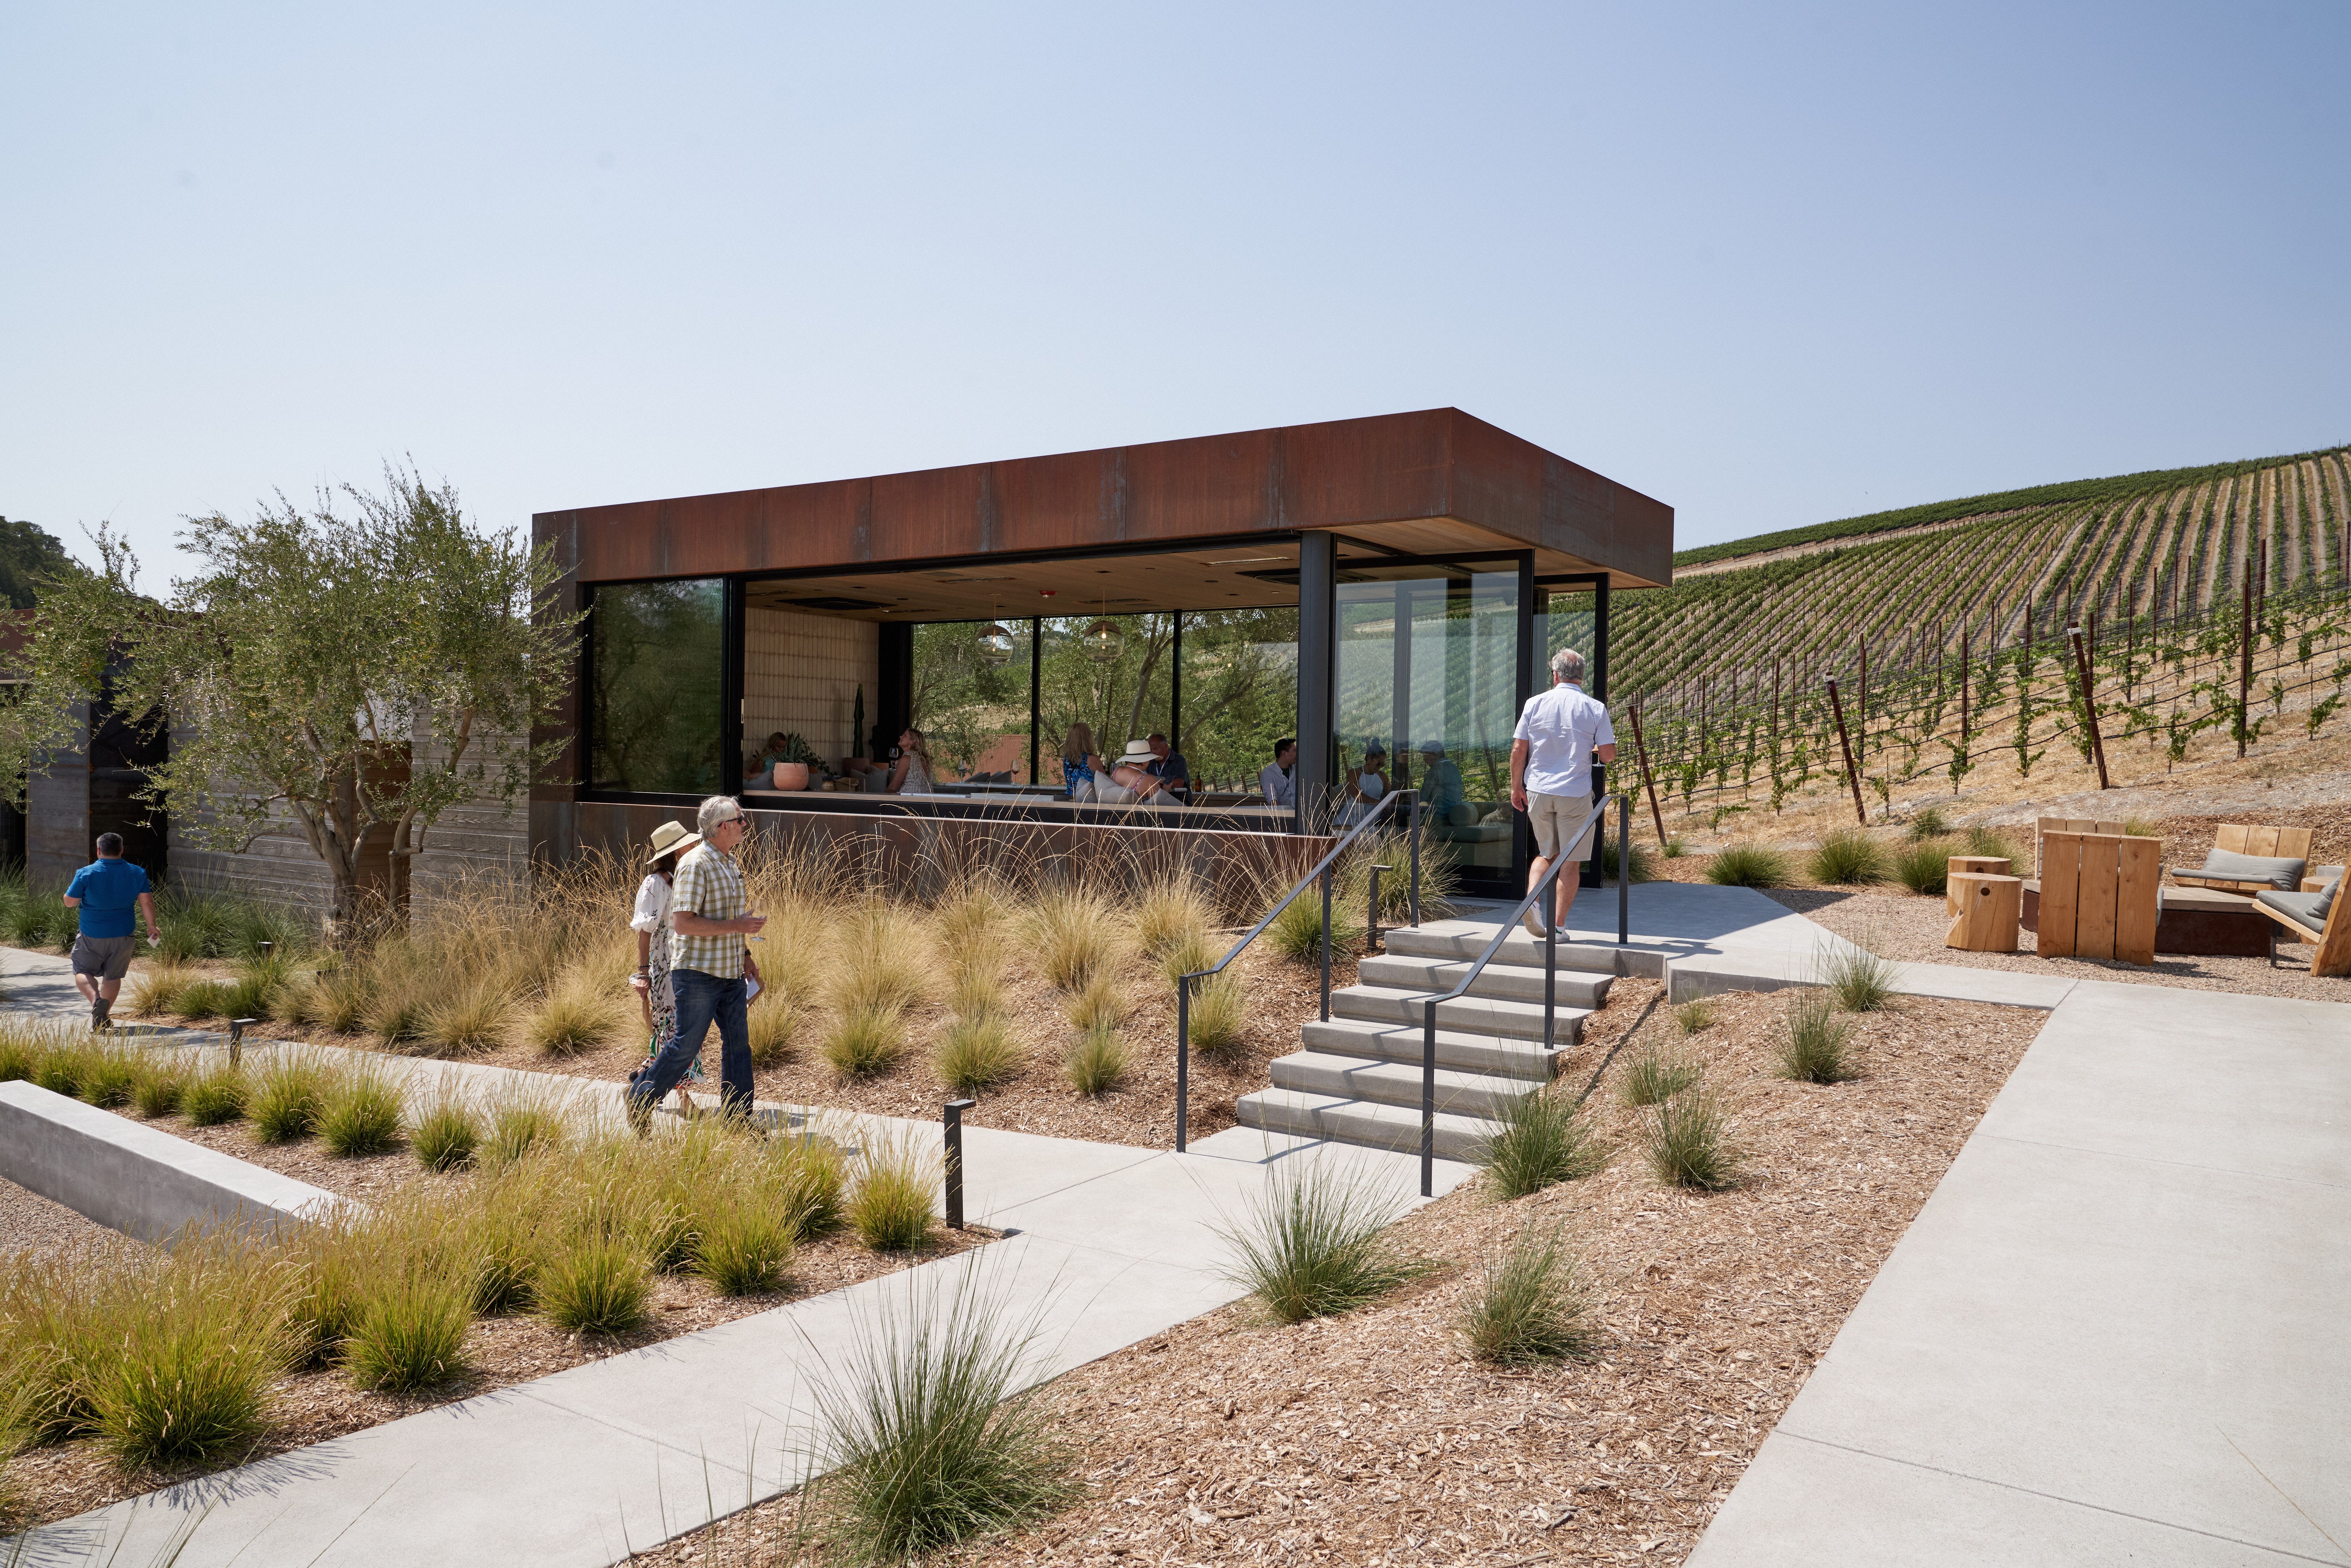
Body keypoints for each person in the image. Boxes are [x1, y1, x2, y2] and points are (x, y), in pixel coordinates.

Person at [625, 796, 766, 1130]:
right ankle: (641, 1097)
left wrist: (745, 955)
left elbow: (729, 919)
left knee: (738, 1046)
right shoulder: (694, 865)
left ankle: (738, 1119)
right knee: (685, 1045)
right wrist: (738, 926)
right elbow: (684, 924)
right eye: (740, 819)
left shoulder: (729, 863)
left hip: (730, 971)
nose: (745, 824)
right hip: (698, 974)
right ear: (723, 827)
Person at [1510, 647, 1616, 938]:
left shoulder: (1534, 704)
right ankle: (1557, 928)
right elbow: (1608, 755)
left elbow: (1519, 749)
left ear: (1555, 675)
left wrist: (1516, 787)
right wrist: (1592, 748)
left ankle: (1532, 898)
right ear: (1581, 676)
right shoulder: (1594, 708)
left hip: (1538, 790)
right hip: (1574, 792)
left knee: (1546, 853)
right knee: (1570, 861)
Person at [628, 819, 703, 1112]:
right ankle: (684, 1100)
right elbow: (645, 932)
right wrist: (643, 973)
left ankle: (638, 1083)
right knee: (678, 1032)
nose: (694, 846)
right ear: (675, 852)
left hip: (690, 965)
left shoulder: (689, 877)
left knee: (674, 1032)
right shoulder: (655, 884)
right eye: (688, 843)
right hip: (666, 971)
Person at [62, 833, 159, 1030]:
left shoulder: (86, 873)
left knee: (82, 970)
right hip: (124, 933)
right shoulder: (137, 872)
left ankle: (97, 1002)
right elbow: (147, 902)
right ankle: (103, 1017)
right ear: (122, 850)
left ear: (98, 851)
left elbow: (69, 903)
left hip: (92, 932)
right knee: (113, 977)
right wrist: (152, 926)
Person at [1340, 745, 1390, 826]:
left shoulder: (1383, 776)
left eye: (1383, 765)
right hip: (1354, 812)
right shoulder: (1354, 773)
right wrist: (1379, 803)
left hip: (1374, 813)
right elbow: (1357, 795)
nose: (1380, 767)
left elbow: (1391, 796)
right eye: (1378, 764)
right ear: (1369, 759)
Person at [1419, 741, 1467, 821]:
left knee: (1403, 811)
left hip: (1441, 814)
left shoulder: (1434, 771)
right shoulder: (1455, 768)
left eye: (1426, 758)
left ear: (1436, 756)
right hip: (1453, 813)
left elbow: (1423, 796)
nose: (1426, 762)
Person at [885, 727, 936, 793]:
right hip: (926, 801)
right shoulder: (923, 759)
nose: (901, 737)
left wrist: (880, 801)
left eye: (905, 735)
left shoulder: (906, 759)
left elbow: (893, 788)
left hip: (910, 800)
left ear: (913, 741)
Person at [1145, 732, 1191, 804]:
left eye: (1156, 749)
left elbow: (1180, 783)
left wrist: (1160, 783)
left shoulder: (1179, 760)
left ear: (1166, 746)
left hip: (1180, 804)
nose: (1153, 753)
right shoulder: (1150, 762)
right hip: (1157, 804)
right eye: (1151, 750)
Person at [1258, 738, 1297, 810]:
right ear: (1284, 753)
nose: (1298, 754)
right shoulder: (1268, 774)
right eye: (1295, 751)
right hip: (1284, 818)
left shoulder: (1298, 769)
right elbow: (1273, 801)